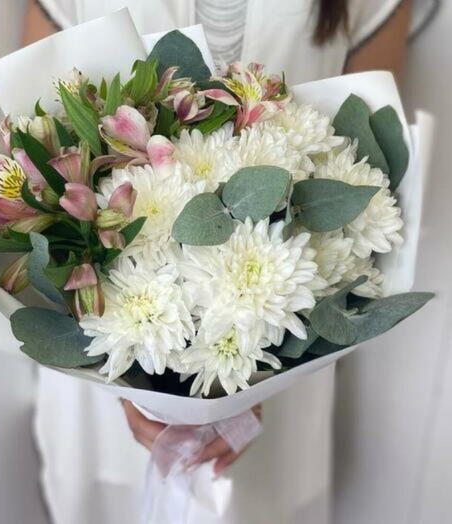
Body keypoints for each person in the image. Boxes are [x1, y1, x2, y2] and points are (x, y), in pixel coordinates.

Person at [22, 1, 437, 523]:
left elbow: (366, 171)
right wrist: (134, 388)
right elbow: (40, 151)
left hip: (284, 344)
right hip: (104, 344)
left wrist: (250, 382)